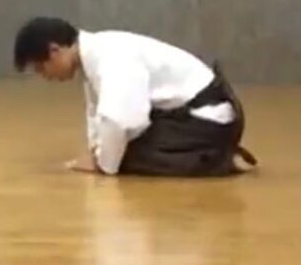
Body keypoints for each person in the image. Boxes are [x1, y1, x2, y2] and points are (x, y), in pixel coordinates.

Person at [13, 17, 257, 177]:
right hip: (195, 117)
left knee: (126, 153)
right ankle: (210, 151)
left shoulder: (110, 56)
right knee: (117, 146)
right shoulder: (96, 53)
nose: (45, 77)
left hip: (209, 120)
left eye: (41, 68)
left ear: (55, 51)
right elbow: (99, 115)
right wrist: (96, 151)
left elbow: (121, 121)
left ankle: (215, 156)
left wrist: (102, 165)